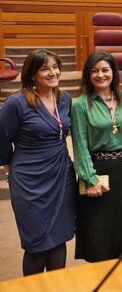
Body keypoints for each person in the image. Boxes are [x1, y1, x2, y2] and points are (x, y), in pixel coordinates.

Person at [0, 49, 75, 275]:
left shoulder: (65, 99)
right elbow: (2, 138)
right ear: (32, 74)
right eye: (45, 68)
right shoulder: (17, 103)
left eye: (55, 66)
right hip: (29, 179)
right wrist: (9, 167)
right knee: (36, 243)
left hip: (61, 173)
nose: (53, 72)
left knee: (59, 236)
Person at [71, 52, 122, 262]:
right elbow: (80, 144)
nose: (100, 75)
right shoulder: (81, 104)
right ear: (88, 75)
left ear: (113, 72)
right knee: (99, 229)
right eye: (95, 71)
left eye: (105, 70)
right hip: (98, 169)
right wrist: (89, 178)